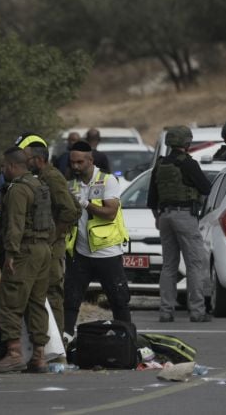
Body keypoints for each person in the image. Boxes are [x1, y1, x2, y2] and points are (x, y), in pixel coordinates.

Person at [0, 147, 53, 374]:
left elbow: (15, 225)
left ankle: (14, 354)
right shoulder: (40, 186)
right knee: (37, 303)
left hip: (24, 250)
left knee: (8, 302)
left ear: (13, 166)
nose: (3, 170)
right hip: (44, 249)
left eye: (5, 166)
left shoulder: (17, 190)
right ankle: (39, 356)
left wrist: (11, 255)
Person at [63, 140, 131, 339]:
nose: (75, 166)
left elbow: (110, 213)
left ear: (90, 160)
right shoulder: (71, 184)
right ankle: (66, 341)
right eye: (72, 162)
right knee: (71, 300)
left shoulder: (107, 180)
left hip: (107, 251)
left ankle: (126, 340)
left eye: (80, 162)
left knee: (119, 300)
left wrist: (84, 203)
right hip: (81, 252)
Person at [147, 126, 213, 323]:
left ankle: (166, 311)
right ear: (187, 143)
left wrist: (158, 218)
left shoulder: (160, 165)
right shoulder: (188, 164)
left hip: (164, 216)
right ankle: (197, 311)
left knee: (169, 265)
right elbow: (206, 187)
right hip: (184, 215)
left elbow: (151, 198)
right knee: (195, 264)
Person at [23, 141, 81, 341]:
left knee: (52, 292)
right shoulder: (42, 177)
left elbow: (71, 210)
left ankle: (56, 343)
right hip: (46, 244)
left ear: (38, 160)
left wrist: (53, 236)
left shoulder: (52, 177)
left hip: (52, 246)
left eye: (27, 159)